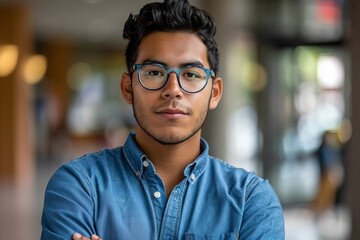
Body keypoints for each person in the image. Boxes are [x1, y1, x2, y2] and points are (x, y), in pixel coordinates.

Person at [40, 0, 285, 239]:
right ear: (128, 88)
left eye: (191, 74)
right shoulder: (79, 187)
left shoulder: (250, 200)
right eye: (155, 72)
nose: (173, 89)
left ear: (214, 93)